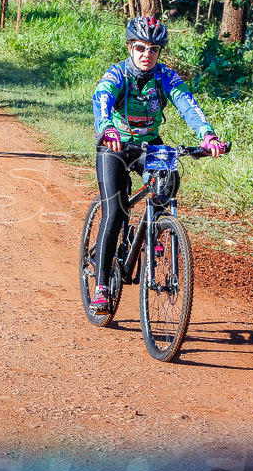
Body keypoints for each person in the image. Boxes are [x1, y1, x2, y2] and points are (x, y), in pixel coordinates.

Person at [88, 16, 226, 313]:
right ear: (130, 47)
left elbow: (188, 104)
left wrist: (208, 136)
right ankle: (100, 284)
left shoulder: (165, 76)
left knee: (168, 176)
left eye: (153, 50)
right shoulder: (117, 75)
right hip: (116, 146)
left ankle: (156, 230)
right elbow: (101, 100)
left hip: (149, 144)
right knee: (115, 212)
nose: (146, 55)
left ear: (159, 52)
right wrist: (106, 129)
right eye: (140, 48)